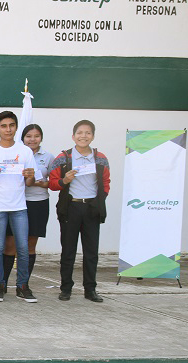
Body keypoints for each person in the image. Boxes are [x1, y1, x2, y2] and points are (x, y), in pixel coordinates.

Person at [48, 120, 110, 302]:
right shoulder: (63, 158)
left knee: (91, 252)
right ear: (73, 136)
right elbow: (52, 184)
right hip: (71, 207)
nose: (84, 136)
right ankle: (66, 288)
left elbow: (106, 182)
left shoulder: (100, 158)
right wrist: (65, 181)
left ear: (93, 136)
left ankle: (90, 289)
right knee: (68, 251)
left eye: (88, 133)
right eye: (80, 133)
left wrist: (100, 200)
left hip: (92, 207)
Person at [0, 110, 37, 302]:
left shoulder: (25, 151)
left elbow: (30, 183)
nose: (8, 129)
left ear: (16, 127)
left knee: (23, 247)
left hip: (19, 207)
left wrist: (29, 176)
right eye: (3, 126)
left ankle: (22, 286)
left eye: (11, 125)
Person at [0, 124, 54, 293]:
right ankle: (1, 284)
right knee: (10, 244)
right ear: (22, 138)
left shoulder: (48, 157)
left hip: (38, 203)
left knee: (29, 245)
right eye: (29, 136)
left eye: (36, 136)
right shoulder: (16, 154)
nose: (32, 139)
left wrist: (38, 183)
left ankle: (23, 284)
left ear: (41, 138)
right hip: (15, 202)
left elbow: (54, 182)